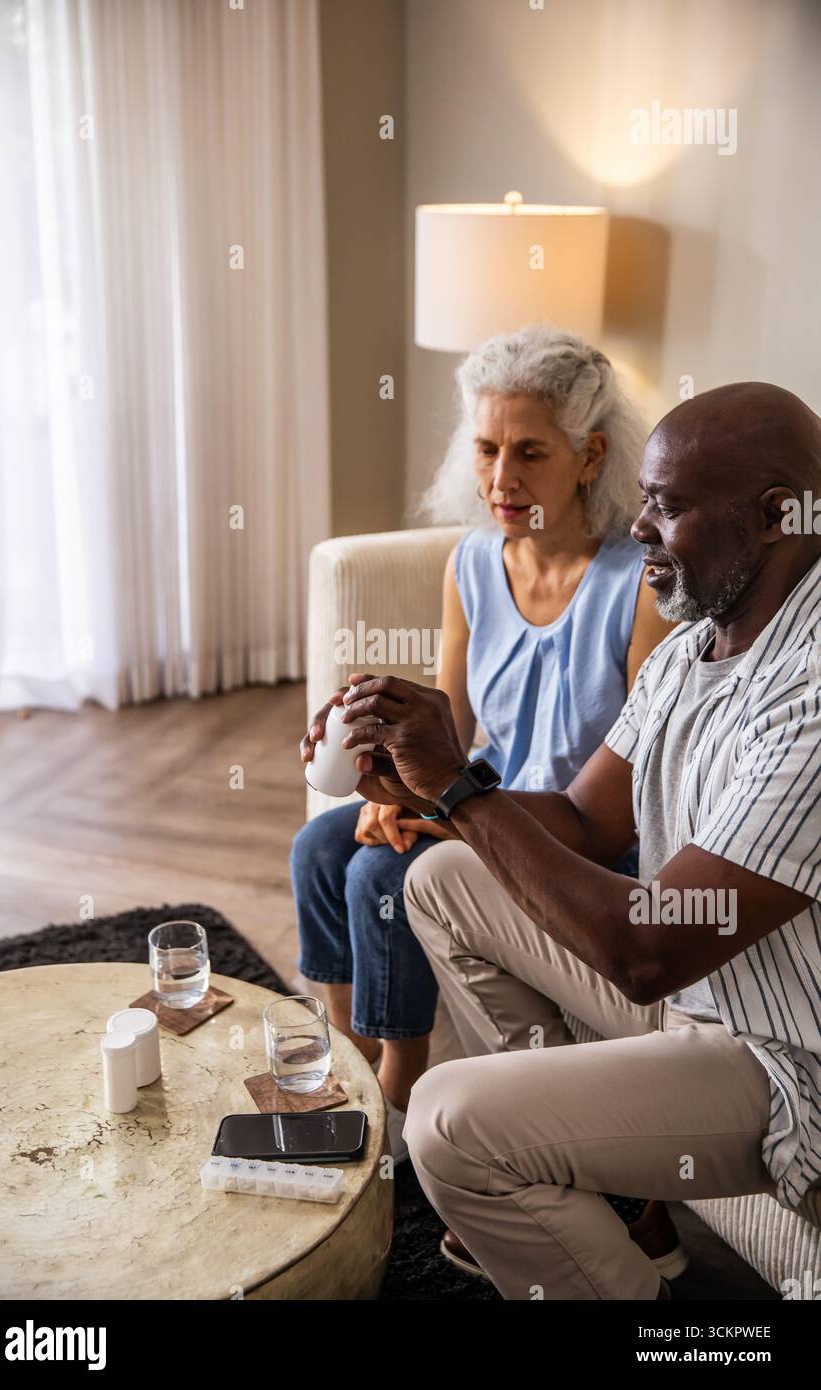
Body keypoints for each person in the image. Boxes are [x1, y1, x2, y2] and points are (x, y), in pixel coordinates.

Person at [336, 381, 821, 1300]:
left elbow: (647, 951)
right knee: (441, 877)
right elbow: (591, 820)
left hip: (784, 1059)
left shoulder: (812, 689)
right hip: (699, 998)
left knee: (445, 1119)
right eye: (642, 498)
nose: (638, 527)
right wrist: (426, 784)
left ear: (773, 517)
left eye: (668, 506)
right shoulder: (696, 646)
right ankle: (607, 1201)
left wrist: (458, 787)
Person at [292, 326, 672, 1162]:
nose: (502, 479)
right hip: (476, 794)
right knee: (322, 846)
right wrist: (384, 778)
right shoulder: (471, 563)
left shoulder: (639, 584)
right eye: (488, 449)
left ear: (590, 456)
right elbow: (451, 726)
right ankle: (349, 1059)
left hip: (576, 840)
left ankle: (399, 1085)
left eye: (531, 452)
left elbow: (623, 800)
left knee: (383, 870)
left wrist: (445, 812)